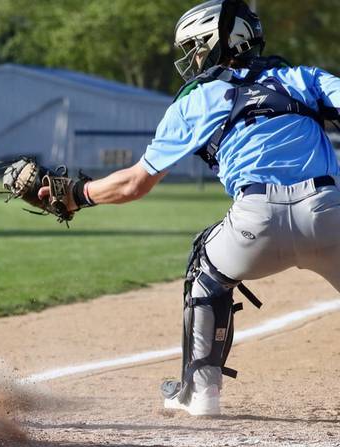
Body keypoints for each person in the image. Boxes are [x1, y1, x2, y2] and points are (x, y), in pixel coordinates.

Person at [35, 0, 340, 416]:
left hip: (255, 223)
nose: (192, 58)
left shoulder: (194, 101)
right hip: (328, 212)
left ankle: (200, 393)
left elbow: (133, 184)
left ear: (216, 43)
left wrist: (78, 195)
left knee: (207, 271)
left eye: (195, 47)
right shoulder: (302, 78)